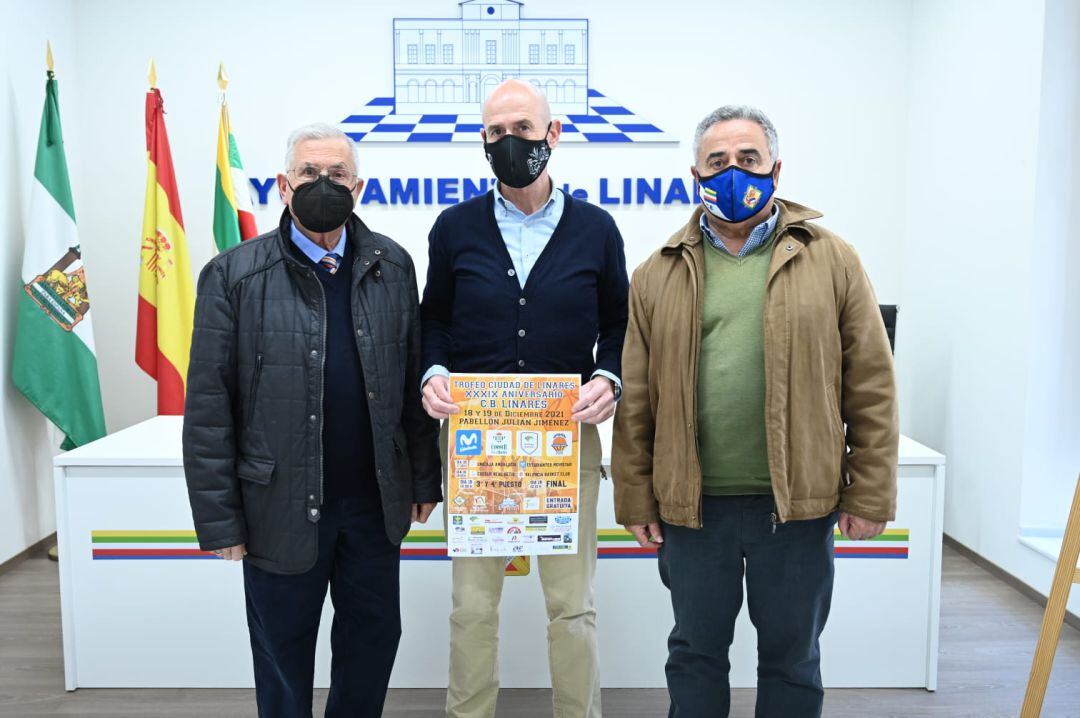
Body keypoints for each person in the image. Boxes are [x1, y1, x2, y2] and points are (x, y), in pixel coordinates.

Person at [612, 105, 899, 718]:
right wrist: (635, 498)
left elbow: (871, 384)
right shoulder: (656, 272)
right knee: (694, 653)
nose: (733, 173)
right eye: (717, 162)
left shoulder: (832, 258)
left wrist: (870, 492)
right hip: (694, 511)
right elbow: (636, 399)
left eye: (748, 159)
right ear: (695, 174)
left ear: (776, 169)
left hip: (794, 507)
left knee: (792, 658)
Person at [183, 122, 440, 718]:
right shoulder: (233, 275)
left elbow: (412, 384)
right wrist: (220, 520)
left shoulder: (393, 266)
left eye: (337, 175)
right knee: (281, 654)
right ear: (282, 185)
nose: (323, 185)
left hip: (374, 505)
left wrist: (423, 479)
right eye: (309, 174)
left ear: (360, 186)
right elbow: (209, 408)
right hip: (278, 505)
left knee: (373, 643)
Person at [420, 79, 629, 718]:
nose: (509, 142)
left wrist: (608, 377)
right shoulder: (454, 227)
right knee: (474, 606)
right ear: (483, 142)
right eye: (495, 133)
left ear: (553, 133)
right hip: (476, 441)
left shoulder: (596, 229)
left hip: (565, 442)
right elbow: (436, 318)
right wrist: (432, 370)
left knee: (572, 604)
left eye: (522, 129)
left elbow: (619, 324)